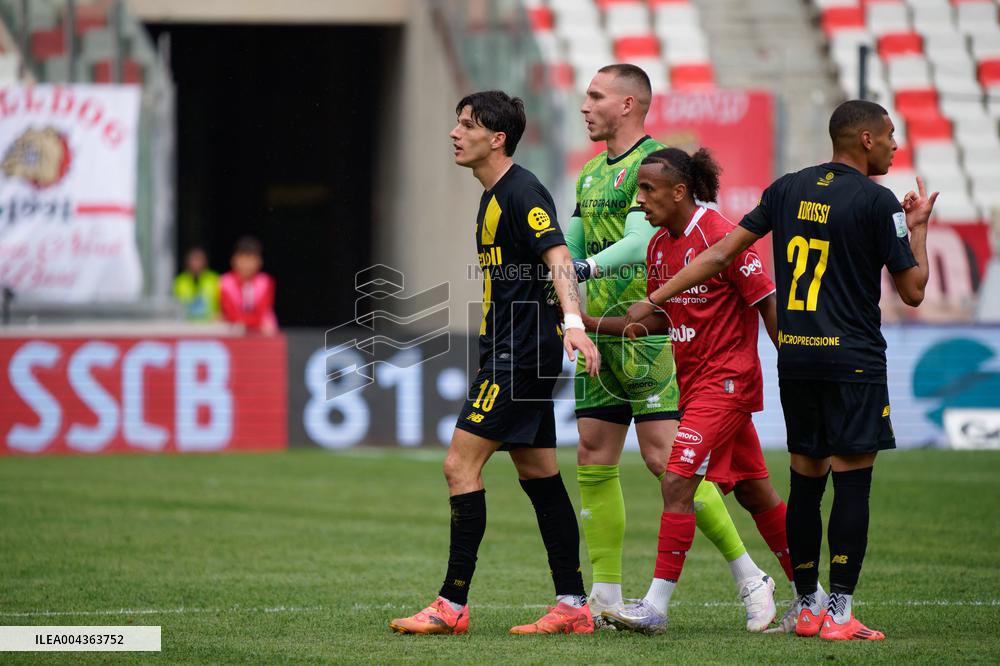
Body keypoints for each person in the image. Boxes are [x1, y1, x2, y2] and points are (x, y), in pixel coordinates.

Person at [624, 100, 936, 640]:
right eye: (889, 135)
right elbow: (912, 292)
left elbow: (721, 254)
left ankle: (807, 608)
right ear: (864, 139)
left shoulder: (785, 188)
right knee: (852, 484)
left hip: (797, 358)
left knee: (804, 482)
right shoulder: (879, 200)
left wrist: (658, 295)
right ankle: (838, 613)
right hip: (852, 359)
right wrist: (918, 231)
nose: (894, 145)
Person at [567, 63, 776, 630]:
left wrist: (583, 268)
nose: (584, 106)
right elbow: (572, 245)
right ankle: (605, 597)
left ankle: (748, 575)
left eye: (595, 96)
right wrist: (567, 301)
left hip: (658, 336)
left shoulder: (656, 167)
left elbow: (640, 244)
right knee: (592, 452)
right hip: (608, 335)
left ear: (630, 104)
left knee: (667, 462)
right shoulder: (587, 176)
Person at [389, 90, 601, 636]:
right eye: (456, 123)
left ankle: (451, 605)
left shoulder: (521, 191)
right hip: (518, 351)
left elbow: (559, 259)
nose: (455, 133)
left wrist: (573, 324)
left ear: (496, 137)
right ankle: (574, 604)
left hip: (518, 356)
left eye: (466, 124)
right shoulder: (492, 196)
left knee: (460, 466)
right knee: (539, 473)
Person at [586, 147, 810, 635]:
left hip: (728, 381)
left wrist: (794, 367)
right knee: (756, 493)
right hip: (696, 385)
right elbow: (654, 322)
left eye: (647, 190)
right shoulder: (658, 247)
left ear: (679, 191)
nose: (639, 200)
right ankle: (809, 599)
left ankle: (655, 606)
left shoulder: (723, 236)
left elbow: (767, 302)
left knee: (676, 479)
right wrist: (582, 323)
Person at [220, 236, 278, 336]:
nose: (247, 264)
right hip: (233, 327)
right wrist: (240, 323)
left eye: (251, 259)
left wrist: (245, 323)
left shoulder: (265, 282)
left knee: (268, 325)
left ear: (259, 261)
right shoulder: (225, 282)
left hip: (260, 328)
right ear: (234, 260)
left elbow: (262, 312)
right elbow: (230, 312)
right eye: (243, 259)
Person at [173, 246, 220, 322]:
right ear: (188, 262)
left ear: (205, 261)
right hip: (187, 326)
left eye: (199, 260)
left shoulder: (214, 279)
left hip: (210, 326)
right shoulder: (180, 281)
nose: (196, 263)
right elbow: (175, 306)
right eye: (194, 260)